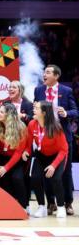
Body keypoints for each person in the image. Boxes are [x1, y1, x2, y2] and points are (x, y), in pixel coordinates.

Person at [33, 64, 78, 216]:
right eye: (44, 72)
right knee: (46, 172)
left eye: (48, 72)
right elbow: (36, 109)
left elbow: (75, 111)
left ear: (56, 76)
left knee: (65, 172)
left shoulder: (66, 91)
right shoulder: (38, 90)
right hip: (43, 138)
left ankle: (68, 203)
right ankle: (51, 202)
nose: (44, 74)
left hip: (62, 137)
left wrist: (66, 113)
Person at [23, 101, 68, 218]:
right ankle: (42, 207)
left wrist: (53, 165)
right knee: (35, 178)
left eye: (37, 108)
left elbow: (64, 149)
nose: (34, 110)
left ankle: (61, 207)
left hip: (57, 155)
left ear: (43, 112)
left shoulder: (56, 127)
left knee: (56, 179)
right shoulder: (32, 124)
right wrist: (26, 152)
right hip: (41, 155)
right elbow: (28, 144)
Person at [0, 103, 29, 210]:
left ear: (9, 115)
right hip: (3, 156)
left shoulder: (21, 128)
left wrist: (6, 168)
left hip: (17, 159)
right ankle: (8, 206)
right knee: (3, 178)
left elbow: (18, 152)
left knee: (17, 178)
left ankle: (24, 206)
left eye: (2, 112)